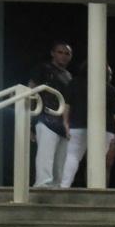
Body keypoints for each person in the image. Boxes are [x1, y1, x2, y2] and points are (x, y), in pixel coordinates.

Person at [59, 62, 115, 189]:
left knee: (72, 156)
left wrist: (66, 124)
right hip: (104, 127)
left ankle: (64, 186)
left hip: (77, 124)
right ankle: (96, 188)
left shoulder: (74, 83)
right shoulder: (108, 88)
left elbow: (67, 106)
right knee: (98, 160)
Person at [29, 40, 73, 189]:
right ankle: (42, 183)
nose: (64, 56)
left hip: (63, 120)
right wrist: (30, 121)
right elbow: (31, 90)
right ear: (53, 53)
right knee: (45, 154)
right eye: (60, 52)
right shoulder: (43, 68)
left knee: (61, 159)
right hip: (45, 116)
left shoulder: (68, 76)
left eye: (67, 53)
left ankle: (57, 186)